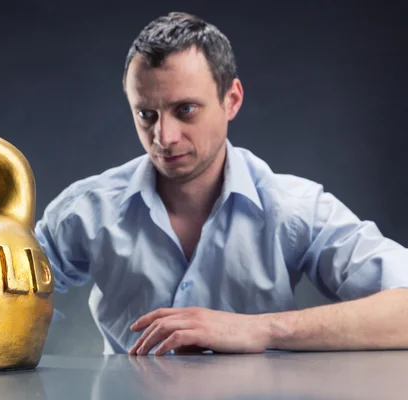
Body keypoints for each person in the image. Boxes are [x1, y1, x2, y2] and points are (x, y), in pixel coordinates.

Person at [34, 11, 408, 356]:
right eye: (146, 114)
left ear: (231, 100)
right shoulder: (84, 210)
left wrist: (260, 330)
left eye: (185, 110)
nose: (164, 136)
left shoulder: (295, 208)